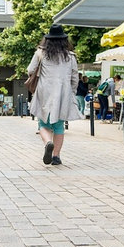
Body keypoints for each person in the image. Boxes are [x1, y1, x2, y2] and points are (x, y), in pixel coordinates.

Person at [27, 25, 83, 165]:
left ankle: (48, 143)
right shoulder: (70, 56)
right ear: (64, 40)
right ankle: (56, 157)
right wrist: (72, 92)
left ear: (47, 40)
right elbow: (75, 77)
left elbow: (30, 70)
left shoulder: (41, 53)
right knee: (59, 125)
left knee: (42, 123)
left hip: (45, 91)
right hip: (63, 92)